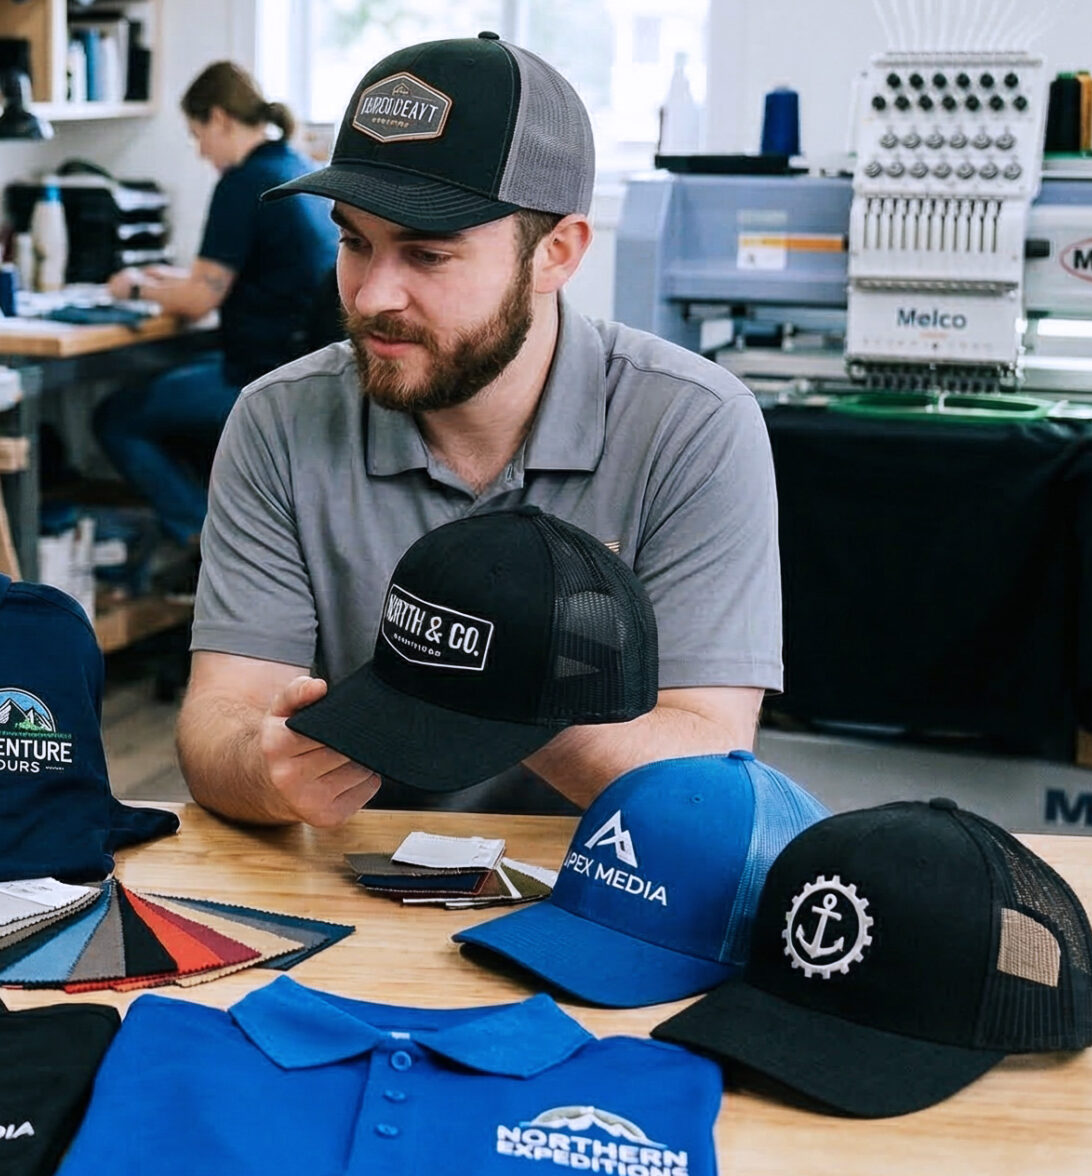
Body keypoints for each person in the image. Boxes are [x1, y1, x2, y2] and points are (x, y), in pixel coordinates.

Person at [178, 33, 783, 826]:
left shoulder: (691, 425)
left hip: (604, 874)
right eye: (355, 242)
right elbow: (219, 718)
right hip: (347, 866)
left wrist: (498, 667)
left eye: (427, 255)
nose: (371, 297)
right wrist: (267, 771)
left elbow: (709, 772)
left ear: (556, 253)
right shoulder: (279, 419)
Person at [93, 62, 336, 550]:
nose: (200, 150)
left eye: (197, 134)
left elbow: (199, 301)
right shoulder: (294, 165)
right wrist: (168, 279)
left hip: (261, 376)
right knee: (169, 386)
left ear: (220, 119)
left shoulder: (243, 183)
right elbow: (232, 276)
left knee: (116, 416)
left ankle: (206, 545)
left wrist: (133, 289)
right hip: (302, 370)